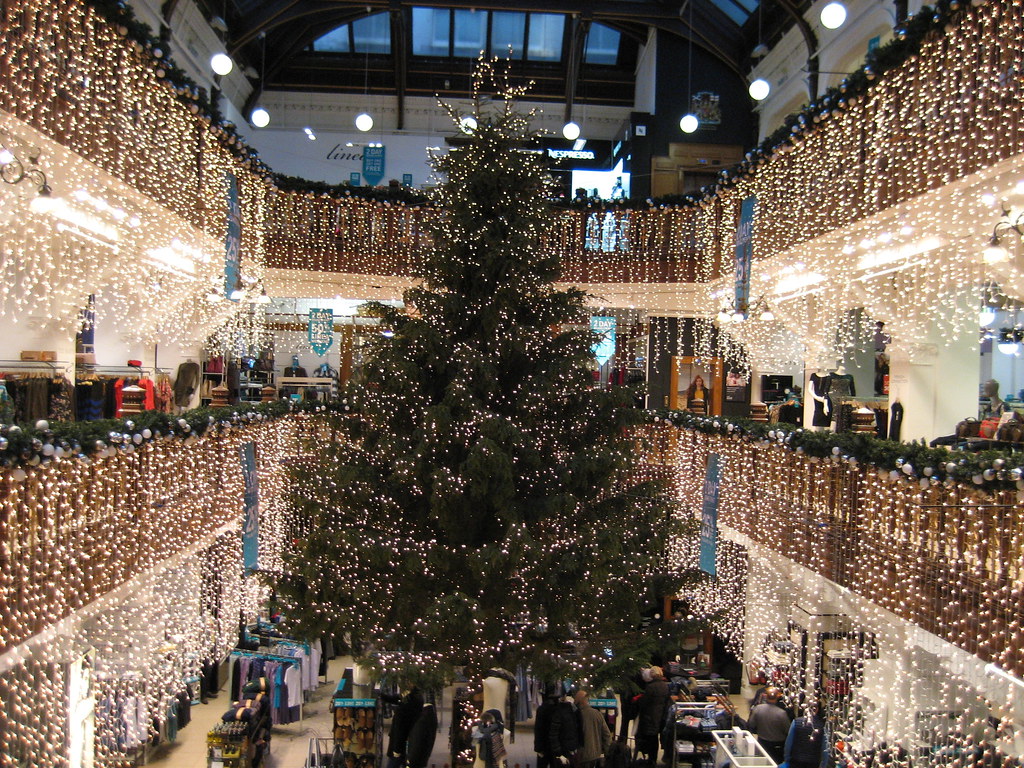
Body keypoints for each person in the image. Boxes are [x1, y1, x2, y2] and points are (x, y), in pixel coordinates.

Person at [382, 686, 424, 768]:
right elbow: (397, 698)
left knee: (394, 762)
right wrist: (382, 696)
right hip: (403, 743)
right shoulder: (411, 694)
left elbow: (401, 728)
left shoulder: (408, 704)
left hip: (399, 746)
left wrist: (397, 750)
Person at [746, 687, 791, 764]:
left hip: (762, 742)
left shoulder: (758, 709)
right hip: (778, 745)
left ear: (766, 696)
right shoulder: (782, 714)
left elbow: (751, 724)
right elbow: (787, 730)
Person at [635, 667, 670, 765]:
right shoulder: (665, 686)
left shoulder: (650, 687)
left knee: (651, 739)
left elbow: (644, 702)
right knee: (656, 739)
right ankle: (654, 759)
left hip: (650, 716)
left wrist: (638, 701)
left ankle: (651, 760)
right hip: (661, 716)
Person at [784, 703, 829, 768]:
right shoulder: (822, 726)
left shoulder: (796, 722)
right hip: (813, 762)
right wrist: (823, 765)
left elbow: (789, 743)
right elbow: (825, 748)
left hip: (796, 759)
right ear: (817, 710)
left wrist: (787, 759)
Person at [575, 690, 612, 768]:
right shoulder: (597, 714)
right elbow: (607, 735)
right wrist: (607, 752)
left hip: (582, 756)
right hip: (596, 755)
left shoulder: (577, 715)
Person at [548, 691, 582, 767]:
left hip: (569, 750)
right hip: (566, 751)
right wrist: (559, 754)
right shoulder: (570, 713)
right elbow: (553, 735)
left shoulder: (574, 712)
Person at [535, 685, 561, 768]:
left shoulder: (541, 709)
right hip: (555, 745)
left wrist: (538, 747)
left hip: (543, 744)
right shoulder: (558, 709)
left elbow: (538, 729)